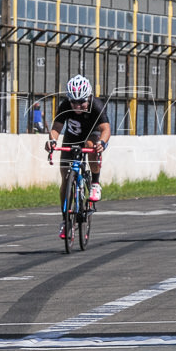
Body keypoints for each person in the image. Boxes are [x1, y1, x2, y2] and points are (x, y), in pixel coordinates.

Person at [45, 75, 111, 239]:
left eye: (82, 102)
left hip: (92, 136)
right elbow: (56, 129)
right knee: (66, 178)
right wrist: (51, 141)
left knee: (91, 146)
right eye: (74, 102)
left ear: (88, 97)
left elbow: (106, 129)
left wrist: (102, 142)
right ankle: (66, 221)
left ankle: (95, 183)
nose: (77, 106)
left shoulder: (96, 105)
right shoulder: (65, 105)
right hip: (72, 138)